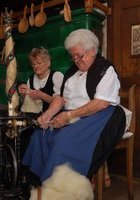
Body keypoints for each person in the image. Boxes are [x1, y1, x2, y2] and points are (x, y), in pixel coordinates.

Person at [22, 29, 126, 186]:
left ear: (92, 51)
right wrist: (48, 114)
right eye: (73, 56)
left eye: (79, 55)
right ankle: (40, 185)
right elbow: (60, 98)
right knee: (40, 134)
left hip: (100, 115)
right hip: (74, 113)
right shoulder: (72, 72)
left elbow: (101, 103)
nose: (75, 60)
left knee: (64, 140)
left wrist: (69, 116)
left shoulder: (105, 68)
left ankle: (63, 189)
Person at [17, 47, 63, 187]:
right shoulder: (31, 79)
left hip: (54, 116)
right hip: (35, 116)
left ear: (48, 63)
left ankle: (36, 175)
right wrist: (23, 93)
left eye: (39, 63)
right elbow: (27, 105)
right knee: (22, 132)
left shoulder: (56, 76)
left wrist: (41, 95)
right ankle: (24, 174)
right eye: (33, 64)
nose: (36, 66)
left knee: (34, 132)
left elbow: (61, 102)